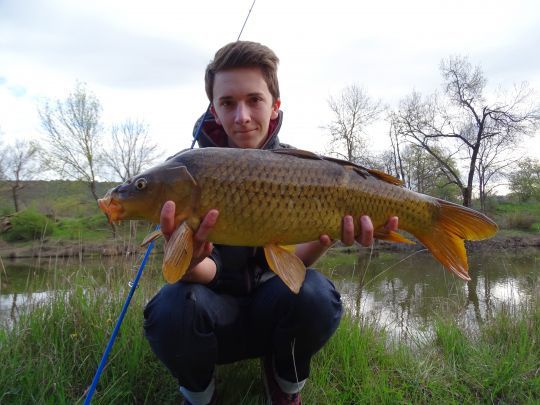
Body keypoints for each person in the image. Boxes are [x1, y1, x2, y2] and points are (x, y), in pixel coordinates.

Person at [143, 41, 398, 405]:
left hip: (273, 310)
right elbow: (208, 274)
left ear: (275, 105)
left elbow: (291, 267)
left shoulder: (299, 167)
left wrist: (326, 235)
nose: (242, 115)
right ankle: (200, 395)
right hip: (218, 317)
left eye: (254, 100)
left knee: (315, 294)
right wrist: (189, 258)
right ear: (213, 110)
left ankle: (284, 382)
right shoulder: (189, 175)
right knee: (171, 307)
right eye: (228, 103)